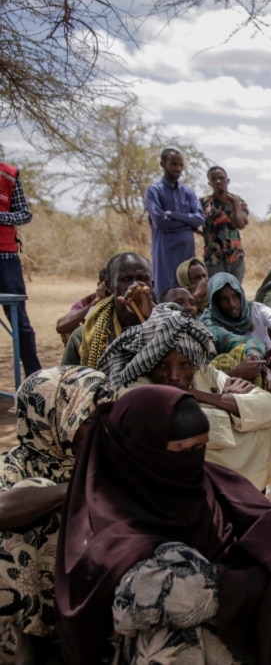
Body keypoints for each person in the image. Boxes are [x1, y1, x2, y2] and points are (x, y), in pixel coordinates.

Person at [55, 386, 271, 663]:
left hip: (229, 627)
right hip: (126, 648)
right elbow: (157, 600)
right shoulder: (106, 521)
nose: (191, 462)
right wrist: (263, 580)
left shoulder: (212, 484)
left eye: (199, 449)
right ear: (141, 451)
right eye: (180, 451)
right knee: (170, 640)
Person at [99, 303, 271, 490]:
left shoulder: (204, 373)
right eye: (164, 365)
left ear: (195, 364)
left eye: (184, 365)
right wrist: (233, 412)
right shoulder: (135, 386)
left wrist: (199, 396)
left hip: (215, 469)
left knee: (265, 425)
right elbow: (182, 430)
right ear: (151, 362)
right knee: (253, 427)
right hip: (166, 479)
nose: (174, 376)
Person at [0, 367, 113, 664]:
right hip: (35, 593)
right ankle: (30, 636)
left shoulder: (111, 453)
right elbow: (2, 511)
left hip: (98, 586)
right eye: (88, 419)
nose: (102, 426)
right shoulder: (16, 465)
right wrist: (76, 489)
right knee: (34, 495)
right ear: (57, 419)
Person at [202, 272, 271, 393]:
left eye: (235, 297)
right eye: (224, 300)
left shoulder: (256, 310)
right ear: (216, 303)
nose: (232, 304)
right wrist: (264, 370)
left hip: (265, 362)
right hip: (238, 372)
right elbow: (242, 343)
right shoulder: (209, 325)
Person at [62, 253, 155, 368]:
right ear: (109, 286)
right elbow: (67, 383)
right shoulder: (84, 338)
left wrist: (149, 319)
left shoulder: (171, 328)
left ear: (152, 286)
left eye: (142, 279)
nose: (135, 286)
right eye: (126, 279)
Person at [0, 162, 41, 378]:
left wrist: (1, 217)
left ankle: (36, 379)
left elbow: (25, 214)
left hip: (6, 258)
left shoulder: (9, 175)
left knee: (20, 323)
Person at [145, 147, 205, 293]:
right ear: (162, 164)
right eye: (173, 164)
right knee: (165, 293)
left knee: (188, 291)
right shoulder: (154, 191)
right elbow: (160, 221)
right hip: (165, 250)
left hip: (186, 251)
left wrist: (174, 214)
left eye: (180, 165)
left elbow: (199, 219)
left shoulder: (188, 192)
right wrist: (187, 223)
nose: (178, 168)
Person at [199, 166, 249, 281]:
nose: (218, 182)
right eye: (214, 179)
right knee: (218, 291)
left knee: (235, 292)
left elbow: (241, 224)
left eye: (221, 178)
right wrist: (205, 234)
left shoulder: (237, 200)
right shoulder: (204, 203)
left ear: (227, 180)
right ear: (209, 183)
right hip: (214, 257)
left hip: (235, 255)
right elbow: (192, 222)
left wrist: (235, 203)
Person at [55, 266, 109, 345]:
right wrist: (95, 302)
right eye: (108, 284)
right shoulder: (89, 301)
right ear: (100, 285)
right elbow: (61, 326)